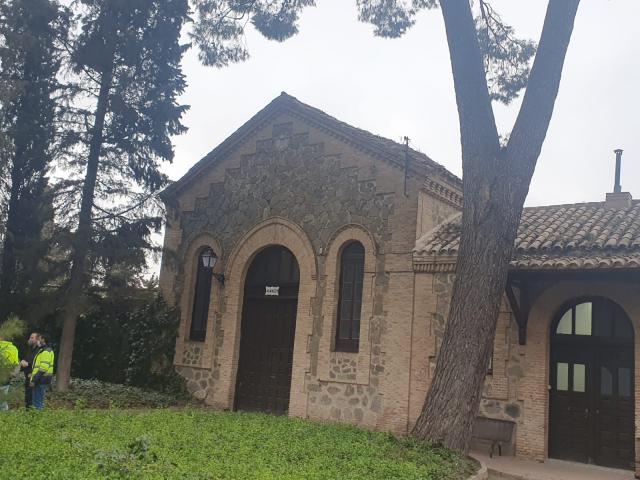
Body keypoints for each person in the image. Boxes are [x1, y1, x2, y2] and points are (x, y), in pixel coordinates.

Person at [30, 334, 54, 410]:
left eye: (39, 339)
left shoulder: (46, 351)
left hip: (41, 380)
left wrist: (34, 379)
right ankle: (37, 419)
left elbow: (43, 368)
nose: (38, 341)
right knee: (36, 402)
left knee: (38, 404)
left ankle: (38, 420)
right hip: (41, 379)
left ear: (43, 340)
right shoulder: (42, 350)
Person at [19, 332, 40, 409]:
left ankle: (33, 415)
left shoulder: (39, 350)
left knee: (33, 397)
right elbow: (26, 358)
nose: (30, 339)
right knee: (27, 397)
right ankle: (27, 414)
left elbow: (37, 362)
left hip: (34, 376)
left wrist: (28, 364)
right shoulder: (30, 349)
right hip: (27, 376)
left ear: (37, 339)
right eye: (30, 337)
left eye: (32, 338)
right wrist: (23, 362)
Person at [0, 337, 20, 411]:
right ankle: (5, 419)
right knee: (3, 401)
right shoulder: (14, 349)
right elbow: (16, 363)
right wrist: (13, 374)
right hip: (6, 378)